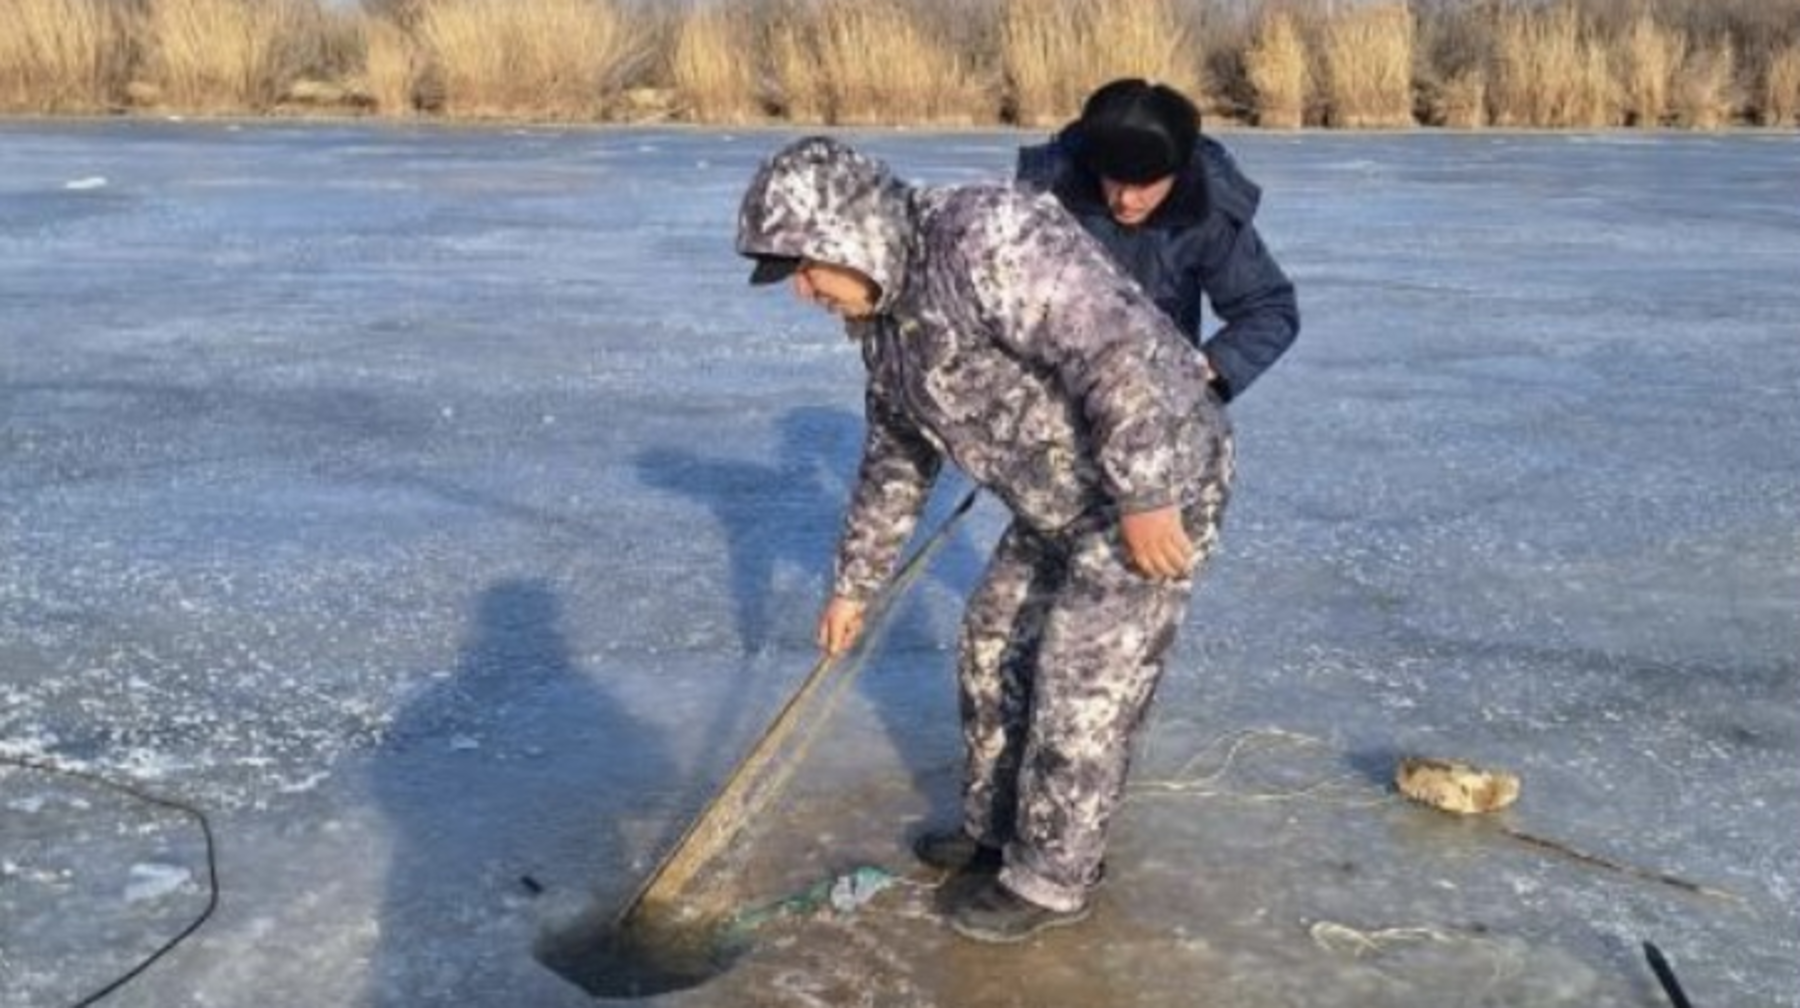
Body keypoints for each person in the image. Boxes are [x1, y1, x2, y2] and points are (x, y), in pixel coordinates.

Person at [736, 136, 1233, 943]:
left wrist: (1147, 492)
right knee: (991, 641)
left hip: (1159, 482)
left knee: (1081, 678)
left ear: (846, 235)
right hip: (1059, 507)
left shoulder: (983, 235)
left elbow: (1117, 349)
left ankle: (1054, 875)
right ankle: (997, 830)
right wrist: (854, 585)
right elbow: (895, 457)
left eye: (805, 266)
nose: (804, 290)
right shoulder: (886, 327)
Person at [1017, 78, 1299, 404]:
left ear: (1175, 174)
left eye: (1144, 186)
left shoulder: (1206, 211)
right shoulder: (1042, 200)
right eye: (1115, 181)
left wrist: (1204, 371)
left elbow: (1268, 309)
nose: (1126, 199)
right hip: (1050, 395)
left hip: (1155, 393)